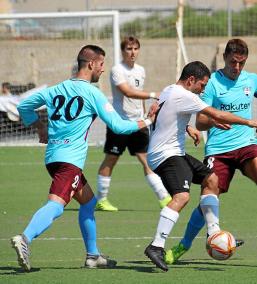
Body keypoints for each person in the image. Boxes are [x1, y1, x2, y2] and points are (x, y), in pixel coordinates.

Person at [11, 44, 156, 272]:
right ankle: (25, 239)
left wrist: (40, 127)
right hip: (69, 161)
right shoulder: (92, 93)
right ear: (91, 64)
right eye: (101, 65)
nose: (102, 70)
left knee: (88, 202)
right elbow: (118, 126)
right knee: (57, 205)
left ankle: (93, 255)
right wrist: (148, 121)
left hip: (54, 158)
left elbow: (24, 105)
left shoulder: (55, 89)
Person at [143, 60, 257, 272]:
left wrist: (187, 127)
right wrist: (249, 122)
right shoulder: (185, 95)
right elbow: (218, 114)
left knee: (211, 179)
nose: (203, 90)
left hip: (174, 152)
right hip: (165, 155)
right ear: (191, 80)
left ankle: (214, 233)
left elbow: (163, 112)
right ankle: (156, 245)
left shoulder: (169, 89)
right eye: (202, 85)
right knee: (182, 197)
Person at [95, 36, 172, 212]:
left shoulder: (141, 70)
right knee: (111, 160)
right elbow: (128, 92)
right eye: (129, 49)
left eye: (136, 48)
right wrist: (154, 94)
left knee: (147, 160)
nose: (132, 52)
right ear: (123, 51)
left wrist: (145, 115)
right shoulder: (117, 70)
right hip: (119, 123)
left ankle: (164, 197)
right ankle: (101, 200)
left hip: (138, 123)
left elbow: (138, 96)